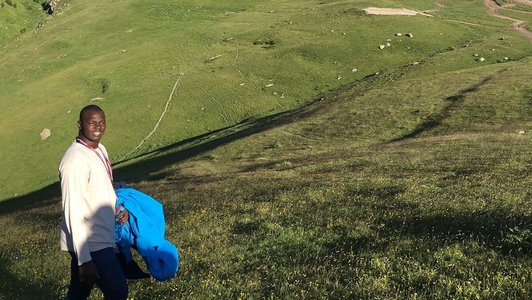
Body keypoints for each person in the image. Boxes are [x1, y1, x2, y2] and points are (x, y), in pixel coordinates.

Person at [59, 104, 129, 300]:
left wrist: (118, 206)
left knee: (80, 290)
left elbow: (104, 185)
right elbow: (72, 211)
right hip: (91, 240)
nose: (98, 127)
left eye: (102, 122)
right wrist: (83, 260)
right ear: (80, 125)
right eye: (92, 123)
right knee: (117, 291)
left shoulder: (99, 149)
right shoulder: (74, 160)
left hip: (103, 233)